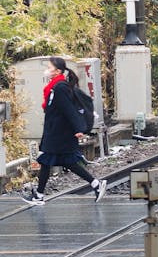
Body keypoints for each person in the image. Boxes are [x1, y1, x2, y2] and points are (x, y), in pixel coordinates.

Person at [21, 56, 107, 205]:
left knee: (47, 161)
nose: (46, 70)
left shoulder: (60, 87)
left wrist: (79, 129)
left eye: (49, 68)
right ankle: (96, 184)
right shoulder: (56, 86)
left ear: (57, 71)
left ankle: (39, 196)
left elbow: (69, 110)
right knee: (68, 163)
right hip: (57, 132)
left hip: (59, 134)